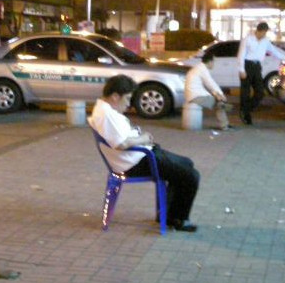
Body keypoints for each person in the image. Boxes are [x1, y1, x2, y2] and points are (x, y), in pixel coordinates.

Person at [88, 75, 200, 232]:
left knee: (186, 164)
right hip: (135, 163)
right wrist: (143, 138)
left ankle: (169, 215)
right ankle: (178, 219)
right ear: (115, 96)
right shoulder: (106, 115)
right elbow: (122, 144)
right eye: (127, 99)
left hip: (139, 156)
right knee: (191, 175)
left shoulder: (104, 109)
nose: (128, 104)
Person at [236, 22, 285, 124]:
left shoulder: (266, 41)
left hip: (257, 66)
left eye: (265, 33)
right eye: (262, 33)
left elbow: (274, 51)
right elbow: (241, 55)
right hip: (247, 65)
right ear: (257, 31)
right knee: (245, 92)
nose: (263, 35)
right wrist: (241, 70)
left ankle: (246, 110)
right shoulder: (247, 39)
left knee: (260, 92)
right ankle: (246, 115)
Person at [185, 53, 233, 130]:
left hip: (193, 95)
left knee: (219, 101)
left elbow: (209, 85)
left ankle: (225, 123)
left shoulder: (199, 68)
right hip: (195, 96)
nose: (214, 64)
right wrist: (220, 95)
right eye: (214, 61)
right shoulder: (202, 69)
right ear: (209, 61)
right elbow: (210, 83)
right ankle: (225, 125)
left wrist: (217, 94)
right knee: (219, 103)